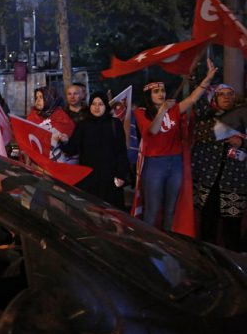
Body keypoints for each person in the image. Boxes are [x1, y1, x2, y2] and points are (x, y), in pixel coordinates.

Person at [134, 58, 217, 231]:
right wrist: (162, 110)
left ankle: (169, 242)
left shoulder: (174, 109)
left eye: (163, 90)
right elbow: (153, 130)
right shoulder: (141, 112)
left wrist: (208, 78)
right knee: (153, 209)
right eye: (156, 91)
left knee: (171, 209)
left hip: (175, 162)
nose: (161, 94)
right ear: (149, 95)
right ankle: (149, 243)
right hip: (155, 164)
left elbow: (192, 99)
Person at [192, 84, 246, 251]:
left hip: (234, 181)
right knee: (208, 224)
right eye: (222, 94)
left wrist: (242, 142)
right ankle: (207, 260)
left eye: (230, 94)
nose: (226, 97)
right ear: (215, 99)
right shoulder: (207, 118)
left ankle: (232, 263)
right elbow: (200, 135)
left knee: (232, 228)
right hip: (209, 180)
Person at [58, 92, 131, 209]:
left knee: (112, 212)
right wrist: (64, 141)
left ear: (106, 106)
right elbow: (72, 150)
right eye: (93, 104)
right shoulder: (83, 125)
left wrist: (121, 175)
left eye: (100, 104)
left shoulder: (114, 124)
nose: (97, 107)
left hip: (110, 178)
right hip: (89, 179)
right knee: (91, 212)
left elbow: (121, 151)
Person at [27, 86, 75, 163]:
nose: (38, 100)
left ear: (50, 99)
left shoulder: (61, 116)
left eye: (41, 97)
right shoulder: (33, 115)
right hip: (35, 160)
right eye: (36, 97)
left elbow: (66, 142)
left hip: (54, 161)